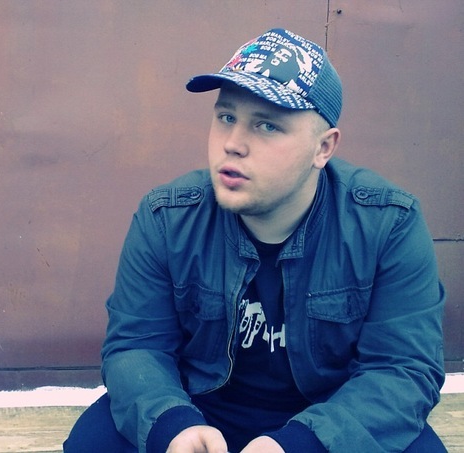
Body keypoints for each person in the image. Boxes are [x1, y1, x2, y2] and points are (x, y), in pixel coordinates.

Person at [64, 28, 446, 452]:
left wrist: (301, 444)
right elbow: (136, 346)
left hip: (330, 416)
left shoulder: (387, 224)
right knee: (92, 442)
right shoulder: (167, 218)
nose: (233, 144)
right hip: (202, 408)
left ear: (323, 148)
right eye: (226, 117)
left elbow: (403, 370)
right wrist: (173, 425)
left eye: (267, 125)